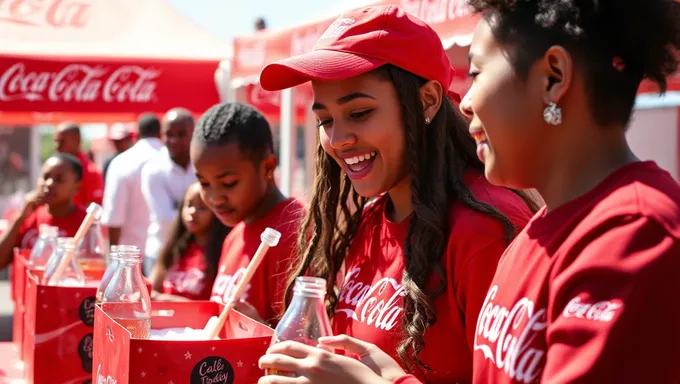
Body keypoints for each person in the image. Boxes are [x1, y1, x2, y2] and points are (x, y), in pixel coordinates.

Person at [255, 6, 537, 384]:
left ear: (428, 100)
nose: (337, 140)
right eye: (325, 120)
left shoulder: (486, 230)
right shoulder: (371, 219)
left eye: (359, 112)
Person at [457, 0, 680, 383]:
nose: (464, 102)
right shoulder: (536, 234)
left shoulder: (636, 236)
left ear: (553, 77)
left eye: (476, 73)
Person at [190, 102, 306, 325]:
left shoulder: (294, 235)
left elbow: (306, 338)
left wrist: (259, 330)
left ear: (267, 168)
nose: (215, 198)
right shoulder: (235, 233)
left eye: (229, 183)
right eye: (204, 183)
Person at [0, 154, 87, 269]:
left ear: (77, 187)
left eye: (59, 179)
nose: (49, 183)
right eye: (45, 177)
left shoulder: (87, 223)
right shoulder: (26, 215)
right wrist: (20, 218)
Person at [150, 182, 231, 301]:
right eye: (188, 205)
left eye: (202, 207)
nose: (192, 212)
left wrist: (165, 300)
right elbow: (151, 290)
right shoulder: (173, 249)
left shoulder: (223, 254)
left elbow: (215, 306)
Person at [141, 108, 197, 274]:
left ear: (194, 134)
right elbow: (165, 218)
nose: (174, 140)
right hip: (161, 253)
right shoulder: (153, 169)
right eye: (169, 134)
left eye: (181, 134)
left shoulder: (204, 164)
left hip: (197, 255)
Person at [101, 113, 163, 254]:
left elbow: (113, 217)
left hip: (129, 257)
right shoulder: (172, 161)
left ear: (136, 135)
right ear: (160, 134)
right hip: (164, 256)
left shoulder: (121, 162)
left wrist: (114, 259)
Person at [54, 122, 104, 207]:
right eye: (56, 141)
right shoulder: (54, 168)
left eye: (62, 141)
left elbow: (93, 210)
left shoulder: (91, 171)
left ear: (77, 141)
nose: (57, 146)